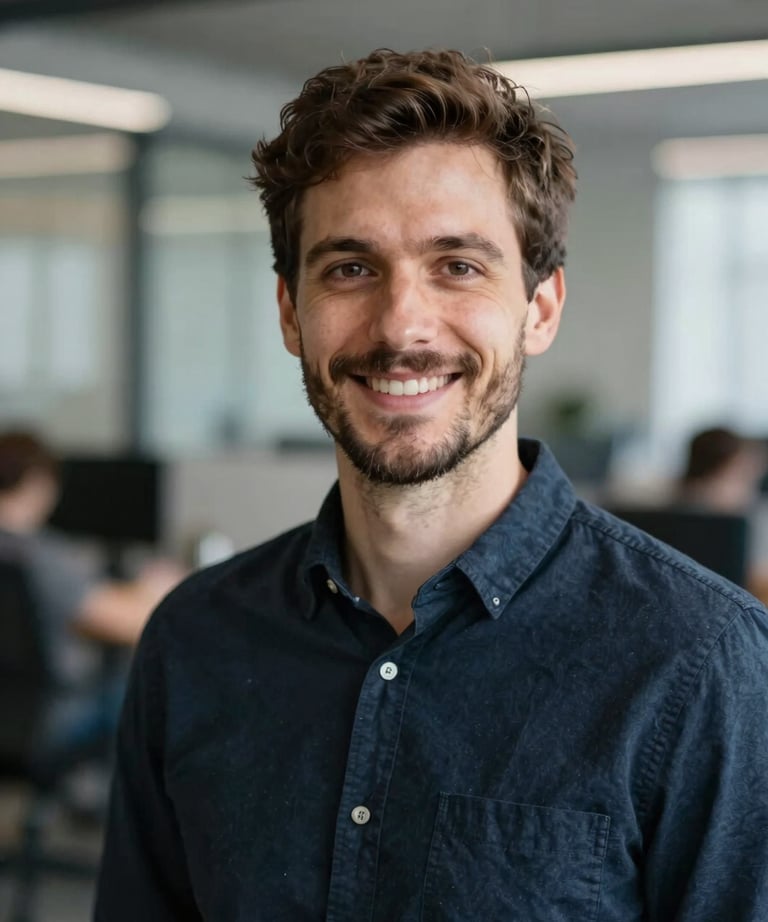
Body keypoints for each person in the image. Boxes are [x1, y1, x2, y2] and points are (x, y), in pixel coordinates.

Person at [95, 49, 768, 921]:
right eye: (349, 267)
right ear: (292, 313)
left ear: (541, 308)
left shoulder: (701, 661)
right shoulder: (193, 641)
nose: (402, 325)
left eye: (458, 265)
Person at [0, 429, 183, 752]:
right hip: (53, 717)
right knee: (158, 694)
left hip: (14, 715)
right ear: (40, 483)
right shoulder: (42, 559)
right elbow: (138, 626)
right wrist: (160, 589)